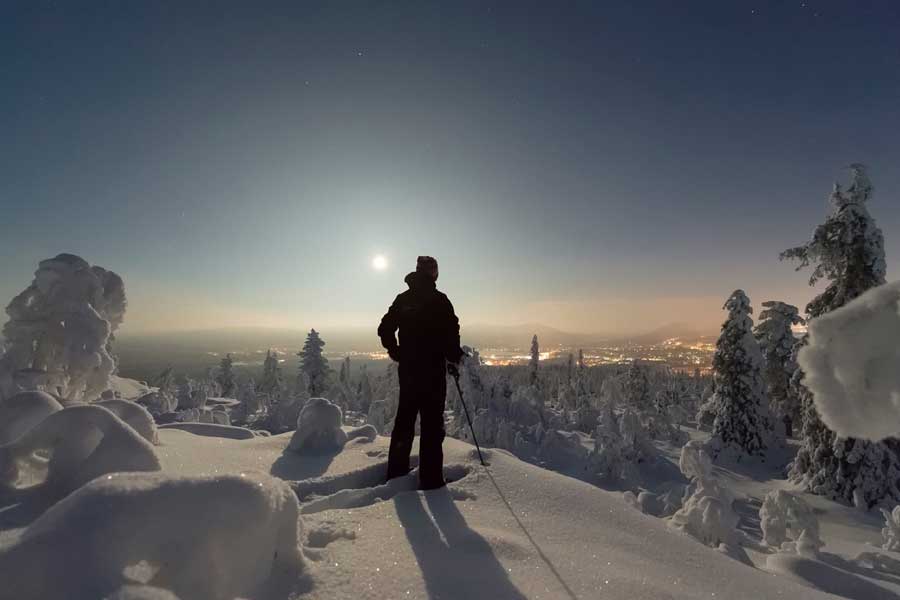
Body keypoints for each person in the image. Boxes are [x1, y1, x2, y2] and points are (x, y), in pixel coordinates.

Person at [377, 256, 463, 490]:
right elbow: (451, 335)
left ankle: (395, 475)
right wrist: (454, 359)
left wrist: (396, 352)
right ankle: (431, 480)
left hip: (409, 372)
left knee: (404, 421)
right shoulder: (440, 301)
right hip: (433, 373)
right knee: (432, 426)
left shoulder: (403, 299)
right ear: (434, 274)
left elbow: (384, 328)